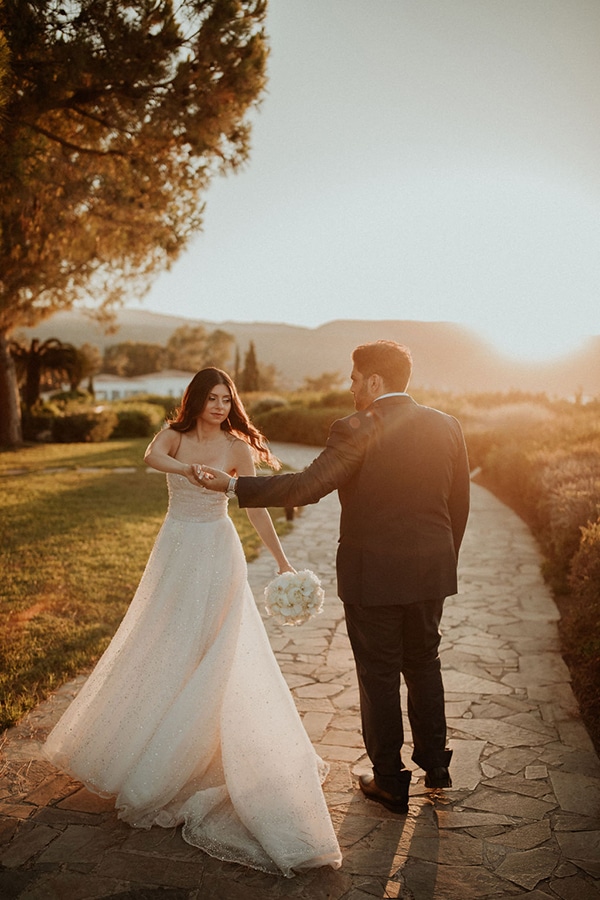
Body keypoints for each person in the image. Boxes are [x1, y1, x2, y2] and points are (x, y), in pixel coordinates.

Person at [43, 367, 342, 878]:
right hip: (177, 548)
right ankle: (154, 740)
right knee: (166, 640)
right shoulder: (175, 437)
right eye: (214, 398)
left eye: (229, 399)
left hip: (217, 550)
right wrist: (187, 473)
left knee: (219, 645)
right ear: (197, 400)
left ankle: (211, 743)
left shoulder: (236, 447)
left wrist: (282, 560)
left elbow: (255, 508)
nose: (223, 407)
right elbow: (151, 457)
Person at [199, 341, 470, 815]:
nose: (349, 387)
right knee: (425, 662)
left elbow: (307, 486)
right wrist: (442, 559)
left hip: (374, 576)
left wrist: (235, 484)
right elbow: (459, 504)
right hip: (432, 570)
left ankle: (389, 779)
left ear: (373, 382)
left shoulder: (355, 428)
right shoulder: (447, 425)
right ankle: (436, 766)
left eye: (352, 378)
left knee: (380, 672)